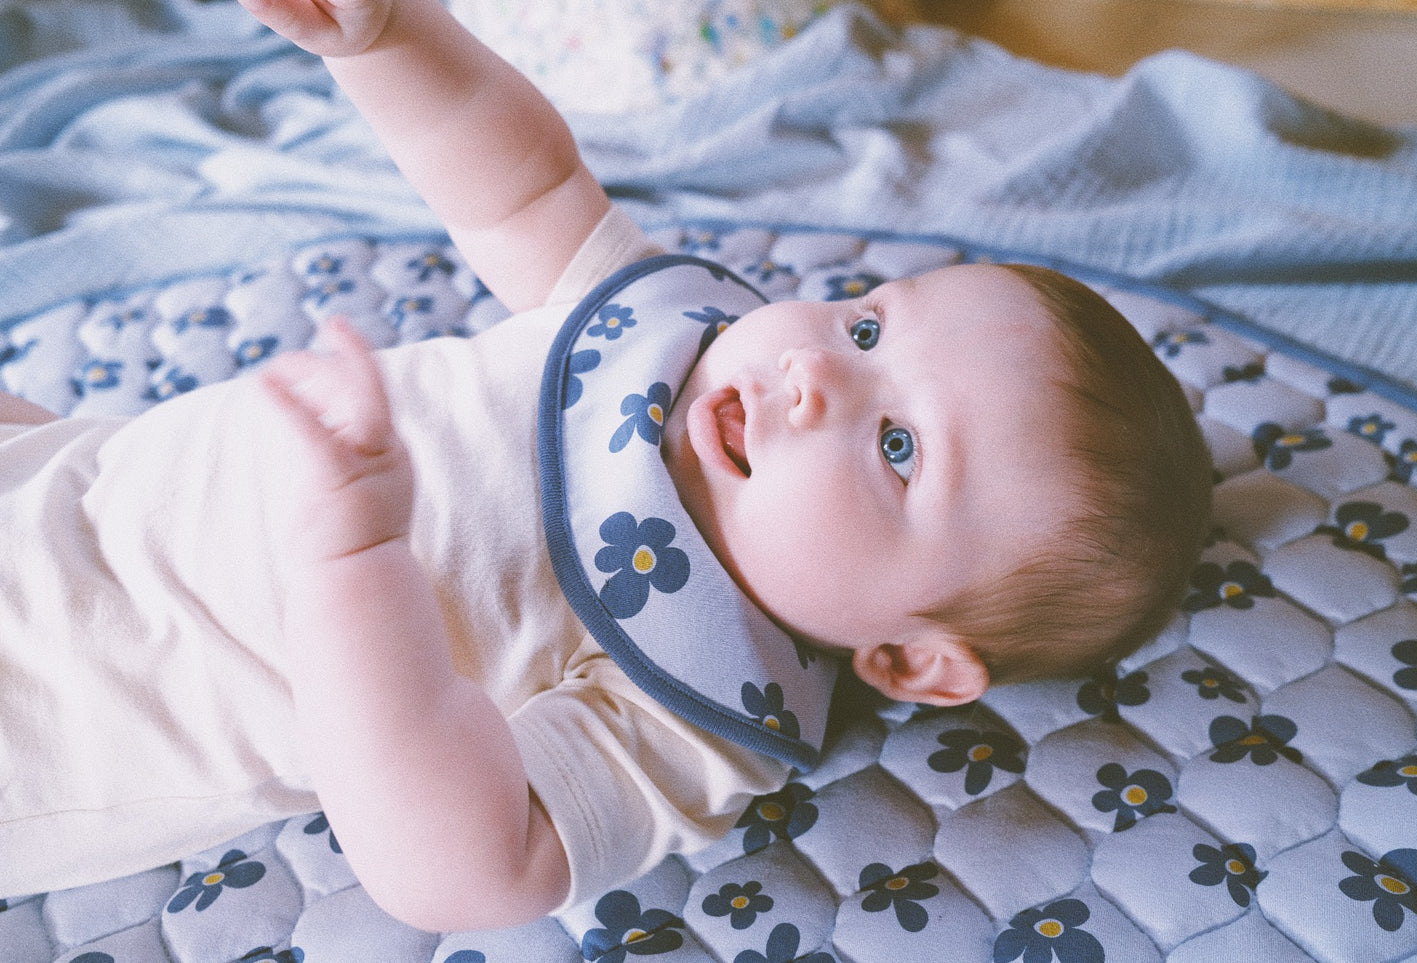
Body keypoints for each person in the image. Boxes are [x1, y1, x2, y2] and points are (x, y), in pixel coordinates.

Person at [0, 0, 1211, 933]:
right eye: (864, 327)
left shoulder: (700, 697)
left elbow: (467, 867)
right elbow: (523, 187)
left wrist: (352, 560)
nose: (814, 374)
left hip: (53, 696)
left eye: (897, 447)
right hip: (64, 472)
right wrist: (389, 42)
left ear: (906, 658)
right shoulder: (671, 339)